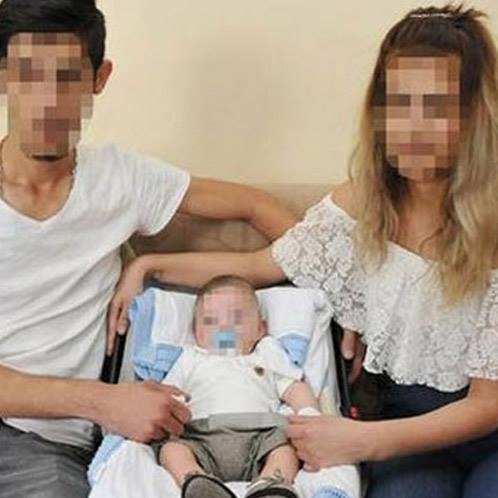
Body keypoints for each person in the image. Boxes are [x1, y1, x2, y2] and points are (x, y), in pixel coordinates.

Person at [110, 5, 498, 497]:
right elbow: (259, 266)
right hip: (404, 430)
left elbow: (487, 405)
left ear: (473, 115)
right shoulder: (362, 203)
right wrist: (148, 264)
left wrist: (360, 441)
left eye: (437, 105)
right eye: (399, 102)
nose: (413, 125)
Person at [0, 1, 297, 496]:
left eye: (67, 77)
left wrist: (346, 298)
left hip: (49, 452)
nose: (47, 101)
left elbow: (259, 208)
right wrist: (101, 401)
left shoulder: (122, 180)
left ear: (99, 79)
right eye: (28, 75)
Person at [154, 275, 319, 498]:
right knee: (172, 449)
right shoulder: (190, 358)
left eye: (236, 318)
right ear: (196, 333)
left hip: (260, 435)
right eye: (211, 320)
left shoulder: (266, 353)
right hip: (200, 436)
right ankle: (195, 480)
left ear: (260, 329)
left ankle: (270, 483)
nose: (224, 327)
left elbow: (294, 387)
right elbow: (167, 394)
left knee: (286, 448)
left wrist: (310, 414)